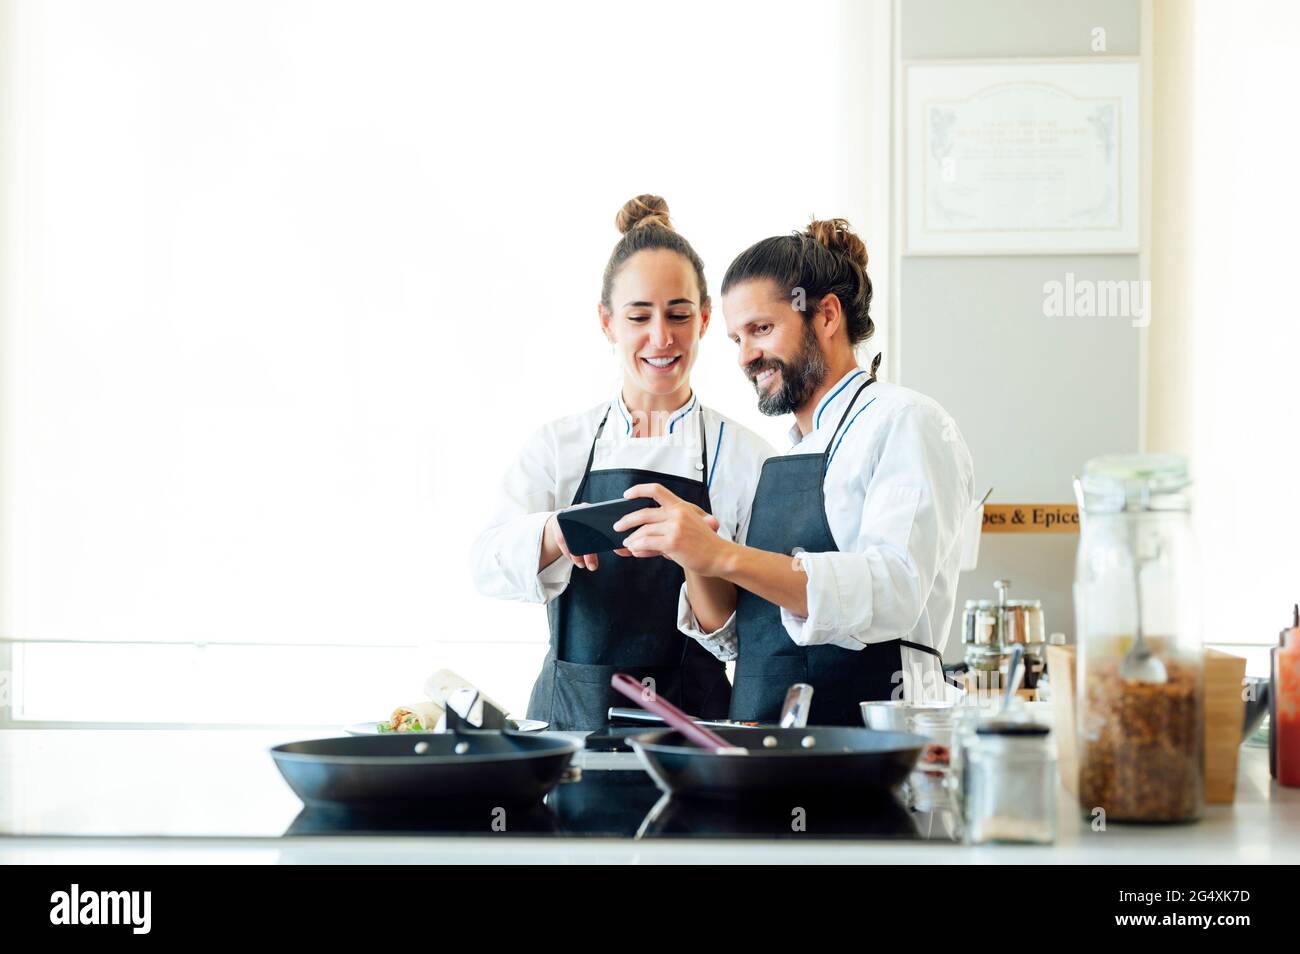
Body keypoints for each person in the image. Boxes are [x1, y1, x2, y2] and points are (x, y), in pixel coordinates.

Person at [613, 217, 976, 725]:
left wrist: (725, 554)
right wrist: (696, 553)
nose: (747, 356)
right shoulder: (780, 459)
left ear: (826, 315)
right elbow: (741, 637)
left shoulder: (907, 422)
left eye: (761, 329)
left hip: (874, 743)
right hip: (767, 748)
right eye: (736, 338)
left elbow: (894, 589)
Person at [470, 195, 773, 731]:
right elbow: (487, 566)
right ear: (607, 322)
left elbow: (741, 638)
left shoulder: (747, 458)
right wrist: (555, 533)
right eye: (639, 316)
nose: (662, 337)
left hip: (696, 740)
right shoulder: (559, 445)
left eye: (679, 315)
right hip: (570, 733)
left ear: (704, 319)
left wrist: (700, 553)